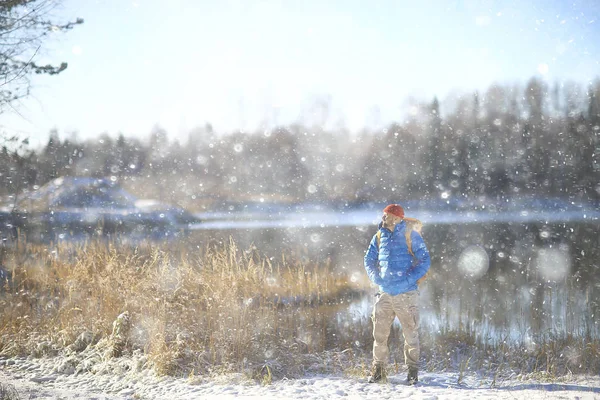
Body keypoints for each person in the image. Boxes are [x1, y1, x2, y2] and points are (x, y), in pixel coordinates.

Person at [364, 204, 431, 384]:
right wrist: (377, 278)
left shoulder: (411, 235)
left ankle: (412, 373)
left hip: (406, 295)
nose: (383, 218)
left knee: (411, 335)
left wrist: (407, 281)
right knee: (379, 336)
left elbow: (425, 260)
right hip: (384, 294)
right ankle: (378, 372)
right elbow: (369, 259)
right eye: (384, 215)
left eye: (387, 215)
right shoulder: (379, 236)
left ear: (397, 218)